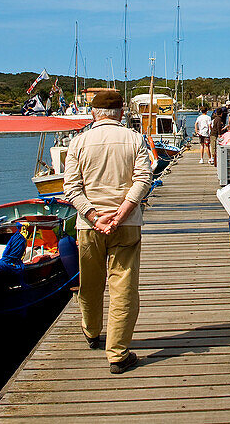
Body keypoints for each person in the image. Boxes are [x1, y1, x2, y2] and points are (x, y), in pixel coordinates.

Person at [62, 88, 152, 374]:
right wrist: (123, 211)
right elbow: (144, 178)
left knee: (89, 284)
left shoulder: (78, 143)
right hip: (125, 224)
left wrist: (93, 216)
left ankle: (91, 332)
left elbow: (71, 188)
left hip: (89, 226)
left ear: (93, 113)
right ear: (121, 113)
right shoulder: (134, 139)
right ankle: (118, 354)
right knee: (123, 287)